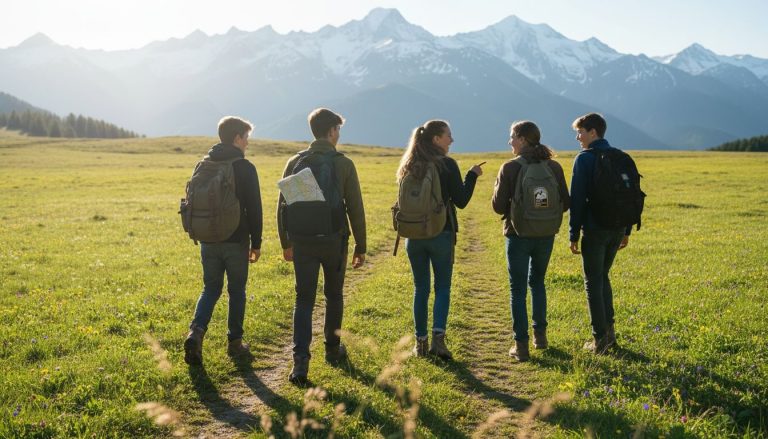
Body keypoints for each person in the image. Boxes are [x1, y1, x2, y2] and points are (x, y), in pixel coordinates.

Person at [277, 108, 366, 384]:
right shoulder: (343, 163)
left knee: (303, 300)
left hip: (302, 240)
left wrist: (286, 242)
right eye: (338, 130)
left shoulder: (295, 161)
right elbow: (355, 207)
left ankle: (300, 362)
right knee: (334, 295)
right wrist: (360, 246)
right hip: (334, 240)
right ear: (331, 132)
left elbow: (283, 206)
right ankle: (332, 349)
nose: (339, 135)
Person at [396, 120, 483, 359]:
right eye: (448, 136)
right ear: (436, 139)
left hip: (413, 236)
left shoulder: (409, 164)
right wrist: (472, 175)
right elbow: (462, 200)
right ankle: (438, 343)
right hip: (440, 233)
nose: (451, 140)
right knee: (442, 287)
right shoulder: (447, 164)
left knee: (420, 288)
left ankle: (420, 344)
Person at [184, 116, 263, 365]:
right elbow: (255, 208)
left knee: (210, 288)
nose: (248, 143)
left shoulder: (204, 164)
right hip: (236, 239)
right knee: (236, 290)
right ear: (237, 138)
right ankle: (235, 343)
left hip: (207, 238)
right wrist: (257, 242)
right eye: (246, 137)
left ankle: (195, 333)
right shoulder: (244, 167)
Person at [492, 121, 570, 361]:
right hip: (545, 235)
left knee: (517, 290)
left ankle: (521, 346)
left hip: (517, 235)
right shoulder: (554, 167)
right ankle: (541, 337)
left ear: (523, 139)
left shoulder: (510, 168)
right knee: (538, 283)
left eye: (512, 137)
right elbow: (565, 203)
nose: (510, 142)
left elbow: (497, 207)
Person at [569, 112, 632, 354]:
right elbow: (628, 196)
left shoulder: (584, 159)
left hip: (595, 230)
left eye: (580, 132)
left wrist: (573, 234)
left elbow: (578, 201)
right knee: (603, 277)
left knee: (593, 281)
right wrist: (626, 229)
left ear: (592, 132)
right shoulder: (620, 156)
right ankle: (610, 334)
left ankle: (600, 340)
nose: (578, 137)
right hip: (617, 228)